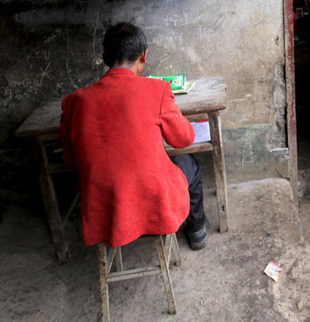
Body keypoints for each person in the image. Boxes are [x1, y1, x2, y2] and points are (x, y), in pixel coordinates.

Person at [59, 22, 208, 251]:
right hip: (152, 198)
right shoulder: (156, 90)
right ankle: (197, 231)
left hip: (104, 206)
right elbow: (184, 139)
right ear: (144, 55)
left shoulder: (74, 102)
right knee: (190, 164)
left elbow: (70, 159)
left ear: (105, 57)